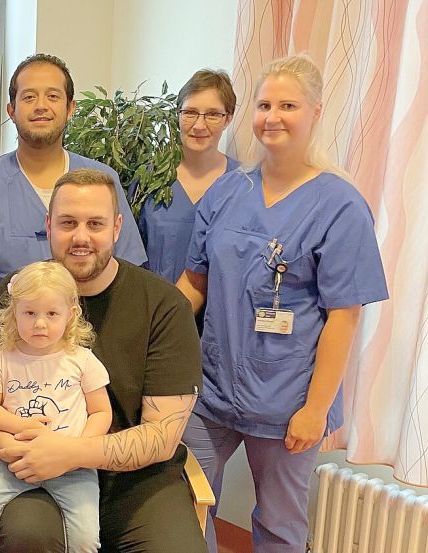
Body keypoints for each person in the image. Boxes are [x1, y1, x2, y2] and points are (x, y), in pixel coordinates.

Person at [177, 54, 388, 553]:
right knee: (185, 500)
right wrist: (143, 332)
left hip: (288, 399)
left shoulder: (339, 205)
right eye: (264, 104)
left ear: (315, 112)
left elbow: (344, 315)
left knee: (278, 523)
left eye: (288, 105)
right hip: (212, 389)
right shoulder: (228, 191)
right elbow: (193, 285)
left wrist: (315, 410)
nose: (273, 116)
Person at [0, 168, 207, 552]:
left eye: (95, 223)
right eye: (67, 223)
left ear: (116, 228)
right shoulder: (17, 297)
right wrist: (16, 449)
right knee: (26, 535)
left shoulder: (163, 305)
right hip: (34, 473)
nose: (81, 237)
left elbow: (162, 436)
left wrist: (71, 453)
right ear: (49, 226)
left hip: (138, 485)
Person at [0, 53, 146, 326]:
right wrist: (7, 338)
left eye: (52, 96)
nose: (41, 106)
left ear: (70, 108)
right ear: (10, 110)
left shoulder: (101, 180)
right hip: (9, 348)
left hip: (92, 343)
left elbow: (127, 269)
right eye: (28, 97)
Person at [0, 261, 112, 553]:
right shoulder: (4, 358)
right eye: (30, 313)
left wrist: (78, 450)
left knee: (85, 536)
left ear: (70, 316)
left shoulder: (81, 360)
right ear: (13, 313)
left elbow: (101, 412)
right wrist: (23, 427)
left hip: (73, 469)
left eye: (52, 314)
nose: (40, 323)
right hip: (14, 462)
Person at [138, 69, 240, 284]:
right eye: (190, 112)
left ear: (228, 119)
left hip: (218, 315)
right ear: (178, 115)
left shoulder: (243, 185)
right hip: (157, 312)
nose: (199, 125)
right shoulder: (151, 179)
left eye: (213, 114)